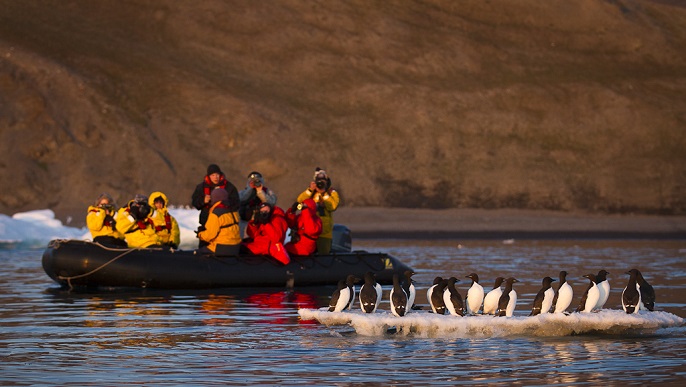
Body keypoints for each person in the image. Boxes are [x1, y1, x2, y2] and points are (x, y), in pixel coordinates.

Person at [191, 164, 239, 247]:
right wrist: (203, 200)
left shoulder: (229, 187)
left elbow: (236, 203)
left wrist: (224, 203)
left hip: (224, 225)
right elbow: (195, 202)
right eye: (212, 175)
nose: (215, 177)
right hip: (206, 222)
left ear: (220, 175)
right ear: (208, 176)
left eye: (217, 175)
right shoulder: (201, 187)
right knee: (203, 249)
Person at [296, 167, 340, 254]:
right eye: (319, 181)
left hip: (324, 232)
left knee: (324, 255)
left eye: (323, 181)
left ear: (327, 181)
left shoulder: (331, 192)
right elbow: (298, 205)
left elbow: (333, 206)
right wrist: (310, 190)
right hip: (309, 231)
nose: (321, 183)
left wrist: (324, 194)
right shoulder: (310, 192)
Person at [197, 188, 242, 256]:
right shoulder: (234, 211)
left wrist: (200, 234)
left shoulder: (216, 213)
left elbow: (210, 235)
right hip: (236, 247)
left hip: (221, 247)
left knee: (198, 253)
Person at [238, 171, 278, 237]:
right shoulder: (243, 192)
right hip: (245, 223)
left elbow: (272, 203)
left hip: (262, 222)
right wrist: (250, 189)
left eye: (257, 180)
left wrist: (260, 191)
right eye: (252, 181)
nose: (255, 183)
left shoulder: (267, 192)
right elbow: (241, 200)